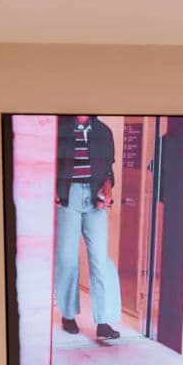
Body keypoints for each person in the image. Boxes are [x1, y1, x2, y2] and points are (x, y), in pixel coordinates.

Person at [54, 115, 123, 342]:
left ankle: (104, 321)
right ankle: (68, 315)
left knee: (100, 259)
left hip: (95, 198)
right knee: (67, 258)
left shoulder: (103, 131)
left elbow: (108, 171)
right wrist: (54, 190)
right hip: (69, 196)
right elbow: (50, 164)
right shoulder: (60, 128)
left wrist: (107, 189)